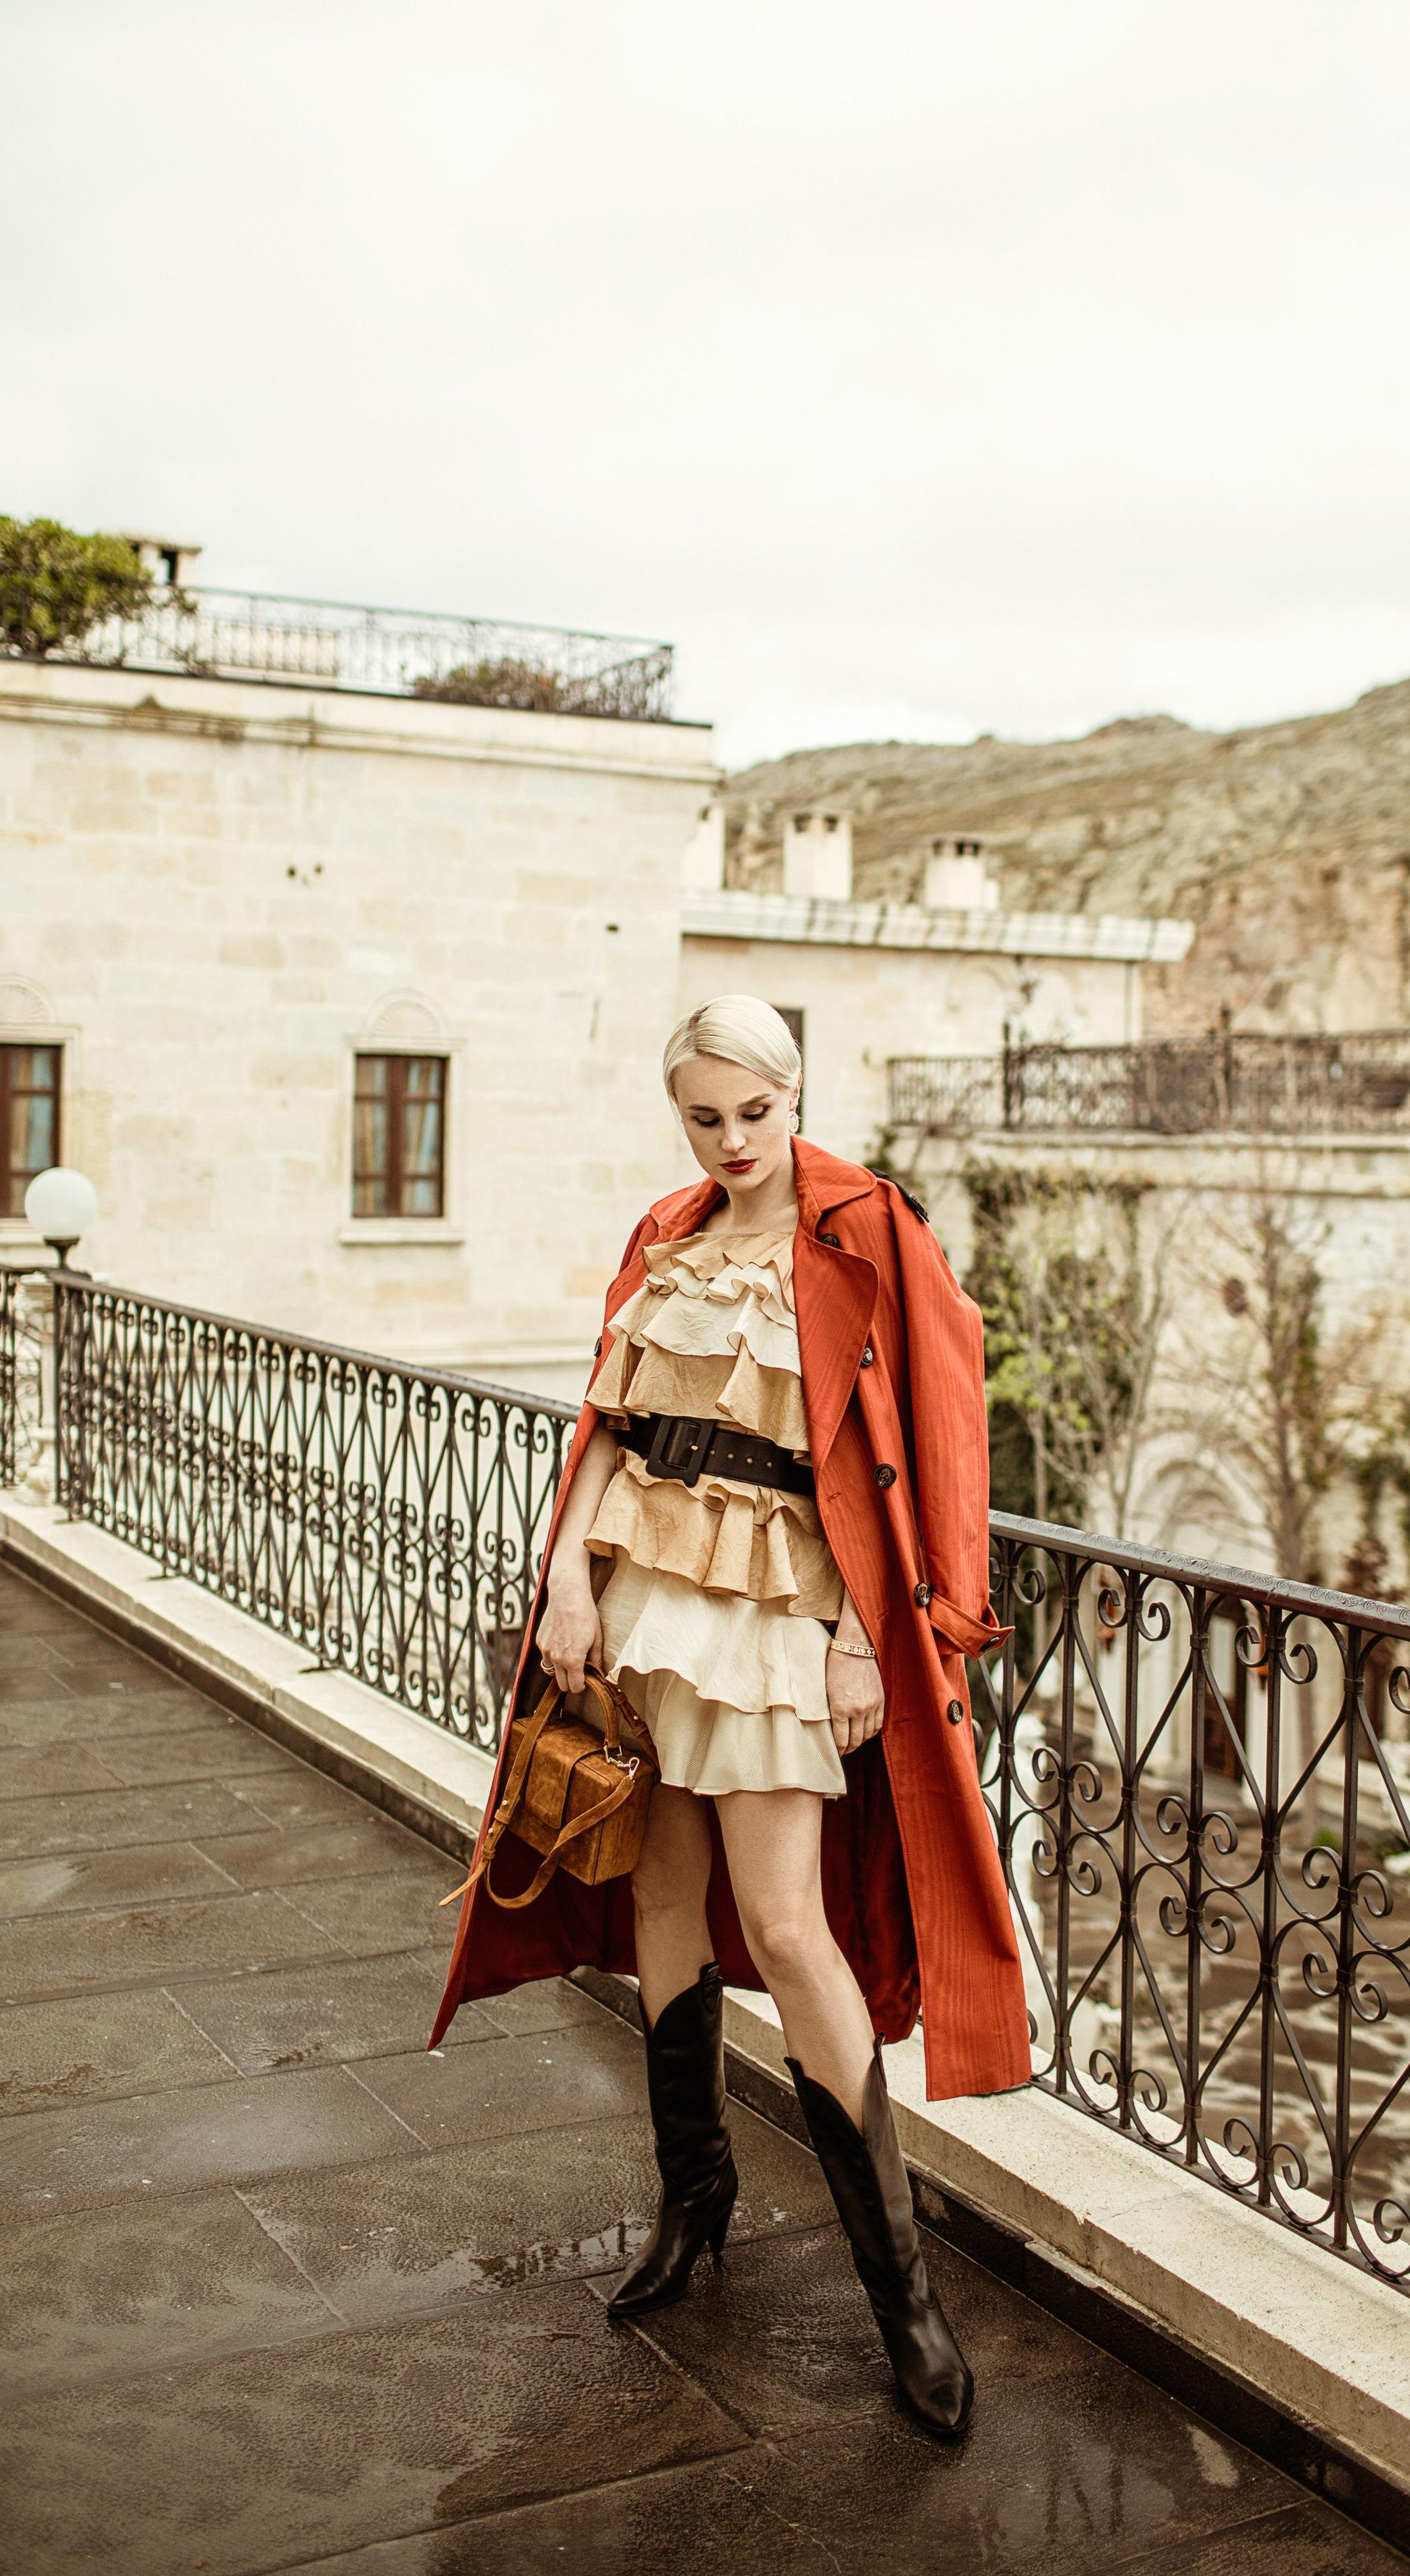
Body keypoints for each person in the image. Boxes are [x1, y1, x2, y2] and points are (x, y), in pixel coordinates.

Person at [430, 996, 1029, 2439]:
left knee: (783, 1924)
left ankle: (902, 2292)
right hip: (640, 1594)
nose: (733, 1140)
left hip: (777, 1611)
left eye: (753, 1112)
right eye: (705, 1117)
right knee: (661, 1887)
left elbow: (937, 1442)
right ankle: (692, 2202)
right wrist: (565, 1572)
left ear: (794, 1091)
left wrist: (870, 1638)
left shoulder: (870, 1229)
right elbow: (609, 1424)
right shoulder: (666, 1232)